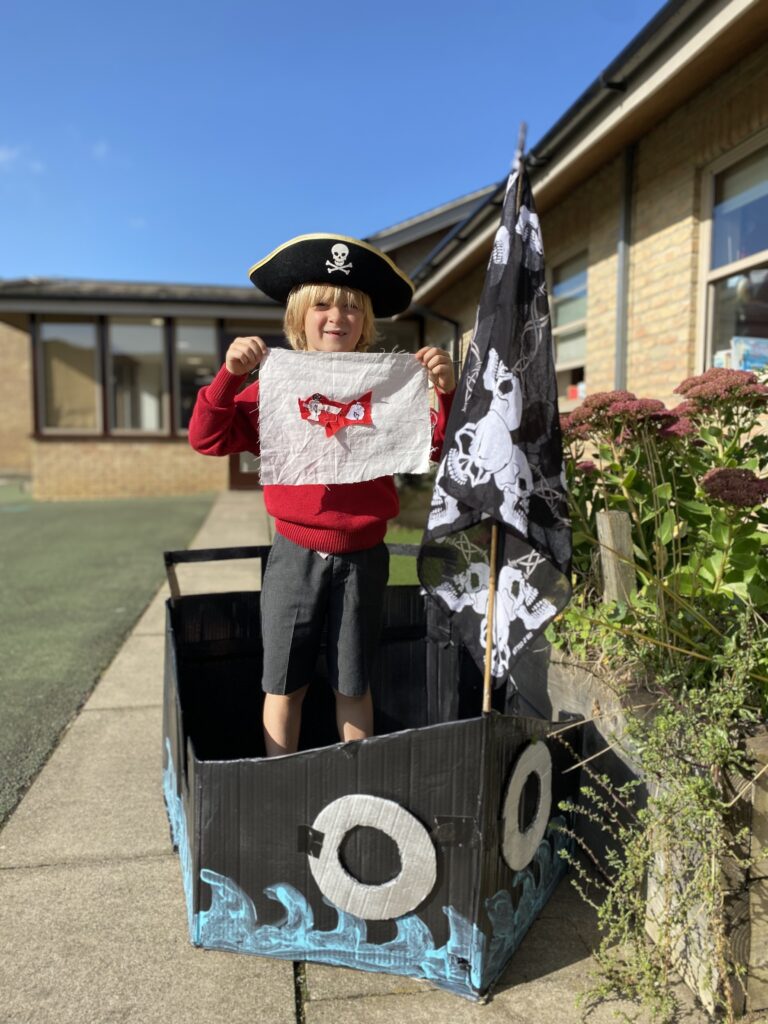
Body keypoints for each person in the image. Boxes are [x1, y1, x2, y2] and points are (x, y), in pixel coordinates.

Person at [188, 234, 455, 757]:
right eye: (323, 305)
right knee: (283, 681)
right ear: (298, 317)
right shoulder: (275, 383)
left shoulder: (386, 387)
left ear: (367, 323)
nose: (338, 316)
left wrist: (444, 391)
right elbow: (207, 437)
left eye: (353, 307)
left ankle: (356, 783)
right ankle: (279, 782)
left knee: (353, 682)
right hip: (293, 554)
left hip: (364, 559)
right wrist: (228, 376)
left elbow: (437, 443)